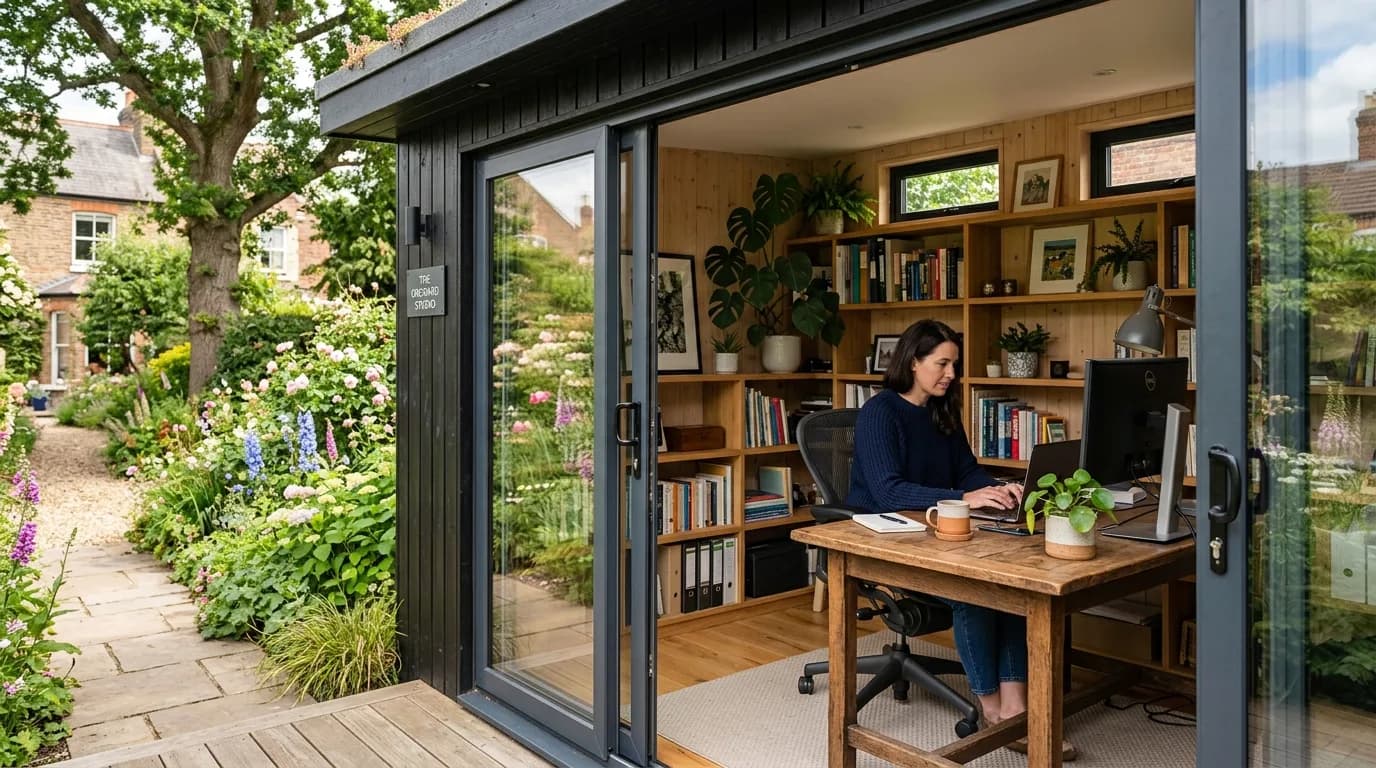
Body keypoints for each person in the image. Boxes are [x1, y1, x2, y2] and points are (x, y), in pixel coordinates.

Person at [846, 318, 1077, 761]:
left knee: (1013, 582)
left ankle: (1016, 706)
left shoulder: (942, 410)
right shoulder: (880, 413)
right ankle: (992, 710)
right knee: (973, 594)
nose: (951, 374)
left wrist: (995, 487)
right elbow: (888, 491)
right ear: (913, 363)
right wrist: (964, 496)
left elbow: (966, 470)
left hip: (941, 527)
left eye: (954, 364)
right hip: (887, 538)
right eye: (942, 363)